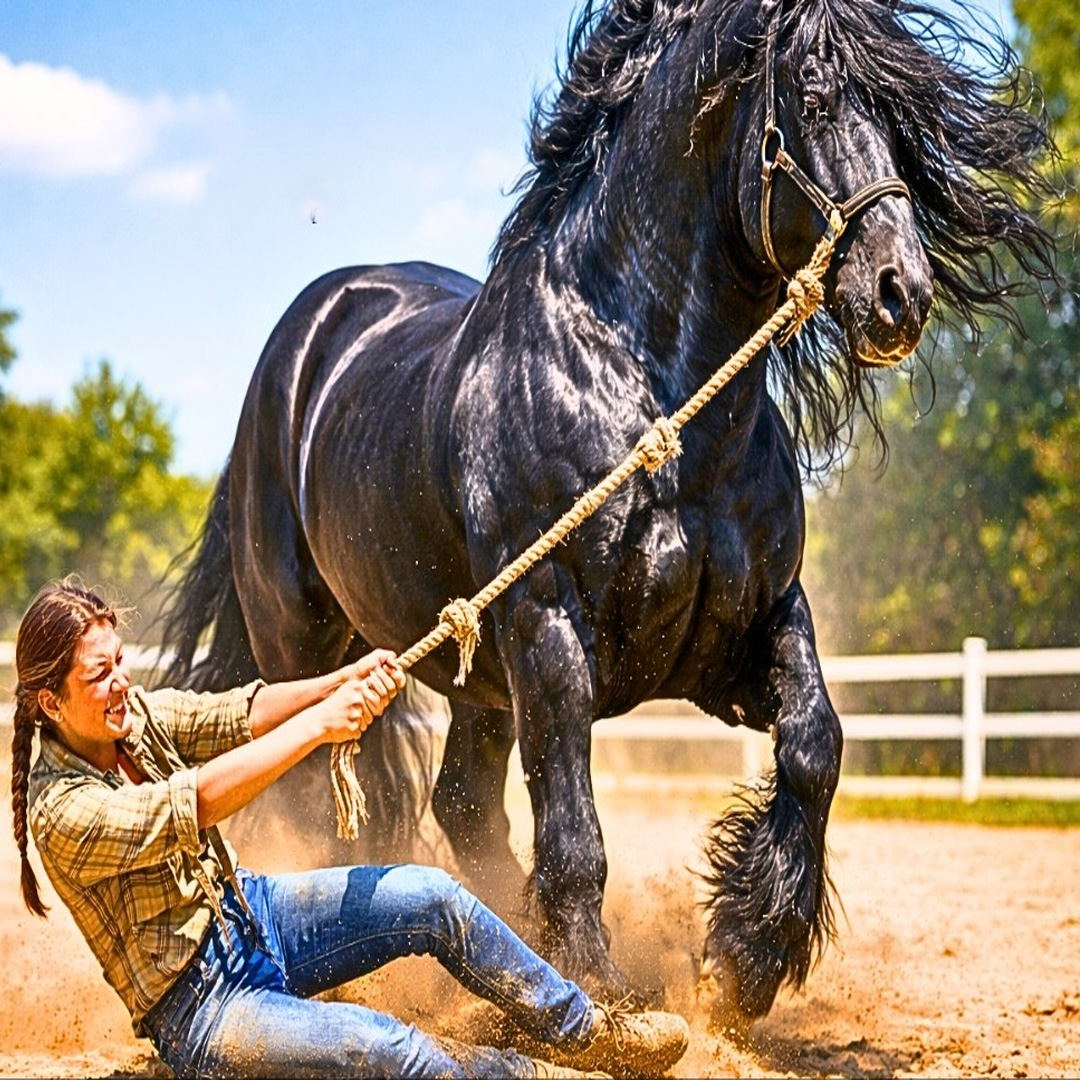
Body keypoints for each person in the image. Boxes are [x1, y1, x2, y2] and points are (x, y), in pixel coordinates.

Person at [10, 580, 689, 1079]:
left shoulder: (134, 721)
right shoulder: (61, 810)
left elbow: (236, 713)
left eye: (121, 660)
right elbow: (196, 802)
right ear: (50, 701)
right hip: (204, 1010)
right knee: (388, 1049)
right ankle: (537, 1077)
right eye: (100, 674)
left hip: (257, 915)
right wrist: (322, 724)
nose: (122, 682)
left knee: (434, 897)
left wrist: (340, 679)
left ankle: (588, 1031)